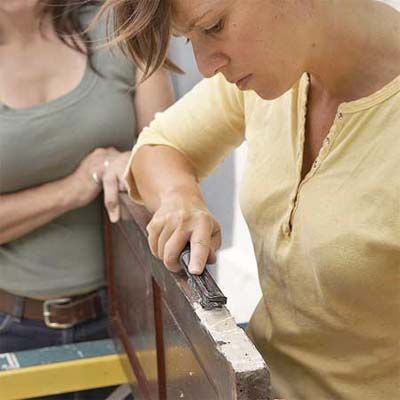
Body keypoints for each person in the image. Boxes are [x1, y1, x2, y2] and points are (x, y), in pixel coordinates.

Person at [99, 0, 400, 399]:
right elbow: (159, 146)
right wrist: (179, 199)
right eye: (189, 41)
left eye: (214, 26)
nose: (206, 66)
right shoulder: (284, 69)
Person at [0, 0, 174, 398]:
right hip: (10, 330)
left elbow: (171, 155)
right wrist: (74, 189)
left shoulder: (122, 24)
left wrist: (134, 162)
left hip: (132, 321)